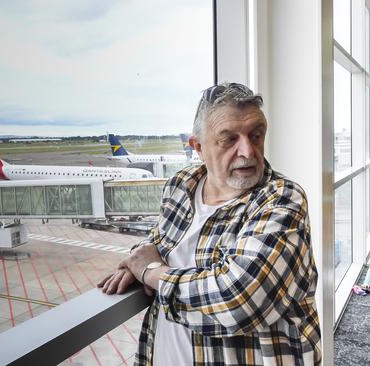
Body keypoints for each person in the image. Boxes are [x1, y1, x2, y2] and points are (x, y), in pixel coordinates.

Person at [98, 82, 322, 365]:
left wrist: (151, 273)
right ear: (198, 147)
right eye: (229, 139)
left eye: (256, 135)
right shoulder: (181, 185)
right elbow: (159, 243)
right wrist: (140, 257)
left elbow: (237, 300)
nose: (249, 152)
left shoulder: (281, 199)